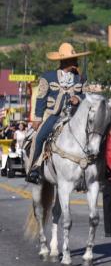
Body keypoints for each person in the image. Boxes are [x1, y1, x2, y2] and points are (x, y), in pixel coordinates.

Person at [26, 42, 91, 183]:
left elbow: (86, 95)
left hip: (73, 116)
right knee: (39, 138)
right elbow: (41, 97)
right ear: (66, 61)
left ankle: (89, 170)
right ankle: (33, 168)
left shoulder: (81, 78)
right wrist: (37, 118)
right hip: (53, 116)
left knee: (92, 136)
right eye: (74, 60)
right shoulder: (48, 77)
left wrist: (78, 98)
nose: (76, 62)